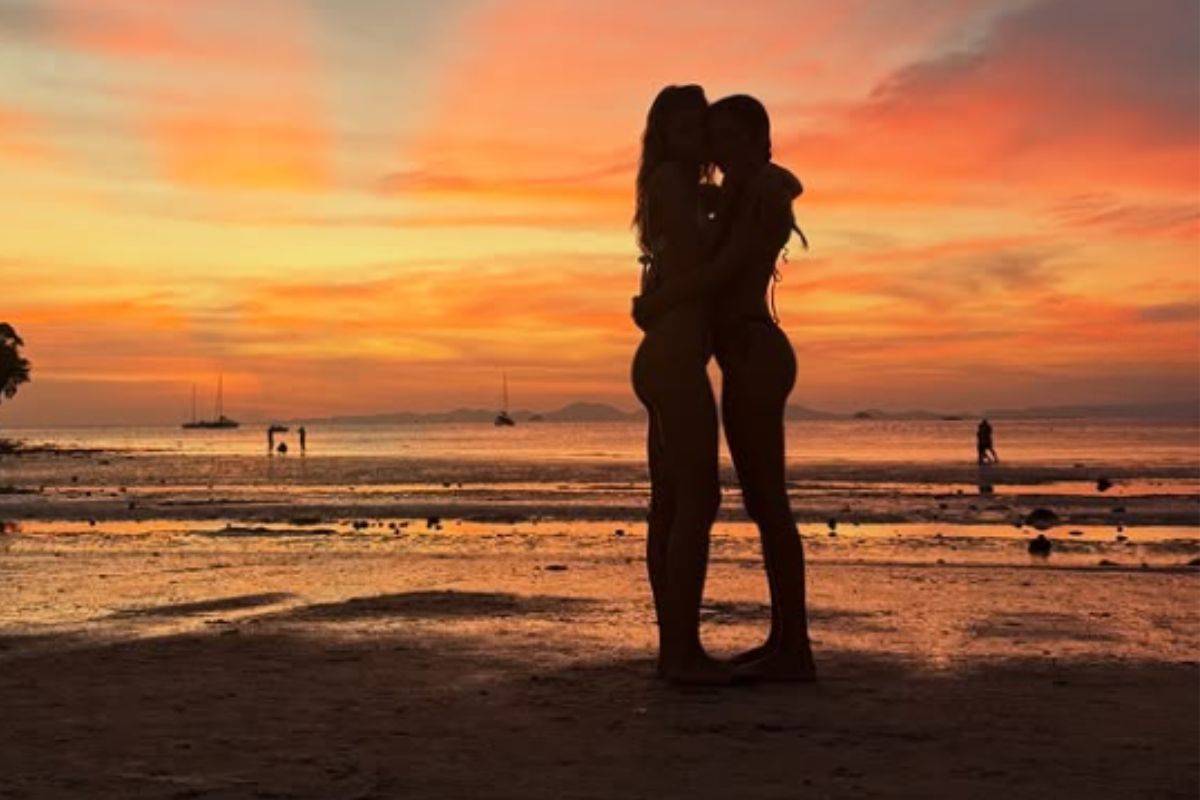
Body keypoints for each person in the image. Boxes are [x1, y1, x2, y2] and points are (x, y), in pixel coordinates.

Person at [634, 95, 816, 682]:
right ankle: (754, 646)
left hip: (755, 351)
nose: (720, 148)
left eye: (731, 137)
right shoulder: (725, 194)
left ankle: (792, 648)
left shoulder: (760, 190)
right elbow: (694, 233)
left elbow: (727, 263)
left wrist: (657, 300)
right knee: (728, 504)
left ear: (760, 139)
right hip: (726, 355)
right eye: (716, 137)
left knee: (766, 505)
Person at [629, 85, 731, 685]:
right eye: (683, 129)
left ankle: (675, 649)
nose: (695, 140)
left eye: (702, 128)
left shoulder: (679, 189)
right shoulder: (673, 182)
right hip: (672, 355)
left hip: (665, 354)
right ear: (666, 136)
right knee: (699, 500)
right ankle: (681, 652)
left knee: (670, 503)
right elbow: (699, 271)